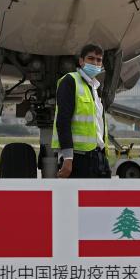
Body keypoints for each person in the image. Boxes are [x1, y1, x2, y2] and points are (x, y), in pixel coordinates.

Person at [53, 44, 111, 179]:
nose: (95, 63)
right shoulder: (70, 81)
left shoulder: (95, 87)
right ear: (81, 61)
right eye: (91, 59)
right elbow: (63, 121)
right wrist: (67, 158)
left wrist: (104, 157)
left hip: (98, 157)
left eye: (98, 60)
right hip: (78, 158)